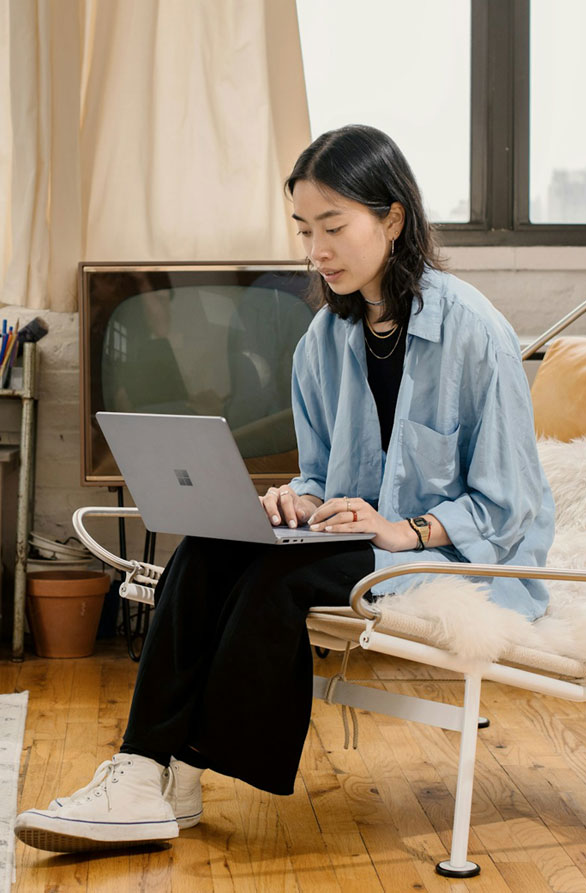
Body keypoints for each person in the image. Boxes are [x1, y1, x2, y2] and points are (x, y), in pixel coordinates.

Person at [15, 124, 554, 853]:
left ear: (392, 219)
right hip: (352, 534)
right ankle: (145, 770)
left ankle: (180, 766)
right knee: (208, 545)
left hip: (464, 553)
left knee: (275, 575)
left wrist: (408, 528)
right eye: (304, 229)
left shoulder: (474, 333)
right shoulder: (322, 342)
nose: (316, 250)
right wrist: (296, 498)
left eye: (333, 226)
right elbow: (324, 474)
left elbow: (509, 503)